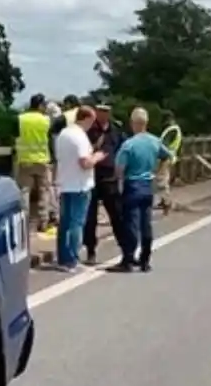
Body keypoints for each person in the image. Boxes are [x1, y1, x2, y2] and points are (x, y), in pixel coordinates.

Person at [113, 107, 172, 272]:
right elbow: (168, 156)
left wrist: (120, 181)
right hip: (148, 185)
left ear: (133, 123)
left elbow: (119, 168)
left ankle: (128, 259)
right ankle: (145, 259)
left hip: (132, 184)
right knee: (146, 224)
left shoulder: (129, 145)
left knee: (131, 223)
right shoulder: (154, 141)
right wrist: (159, 171)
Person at [54, 106, 105, 271]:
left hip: (65, 182)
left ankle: (62, 258)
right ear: (87, 119)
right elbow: (85, 163)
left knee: (65, 223)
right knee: (77, 223)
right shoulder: (80, 136)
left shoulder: (63, 134)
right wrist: (97, 156)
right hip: (80, 185)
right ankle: (72, 260)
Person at [83, 103, 125, 264]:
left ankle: (125, 249)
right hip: (92, 177)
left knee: (117, 215)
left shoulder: (116, 130)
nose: (103, 114)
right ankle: (91, 251)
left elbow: (123, 149)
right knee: (90, 218)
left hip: (110, 177)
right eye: (100, 111)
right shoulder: (89, 131)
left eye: (106, 111)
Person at [15, 93, 55, 233]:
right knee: (43, 191)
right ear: (40, 105)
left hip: (25, 159)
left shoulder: (21, 119)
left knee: (25, 191)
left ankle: (24, 223)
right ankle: (43, 222)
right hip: (42, 159)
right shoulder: (46, 120)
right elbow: (50, 138)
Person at [157, 110, 182, 212]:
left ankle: (166, 202)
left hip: (167, 156)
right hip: (171, 156)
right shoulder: (174, 129)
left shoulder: (172, 130)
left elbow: (164, 144)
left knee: (162, 180)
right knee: (164, 179)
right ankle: (164, 200)